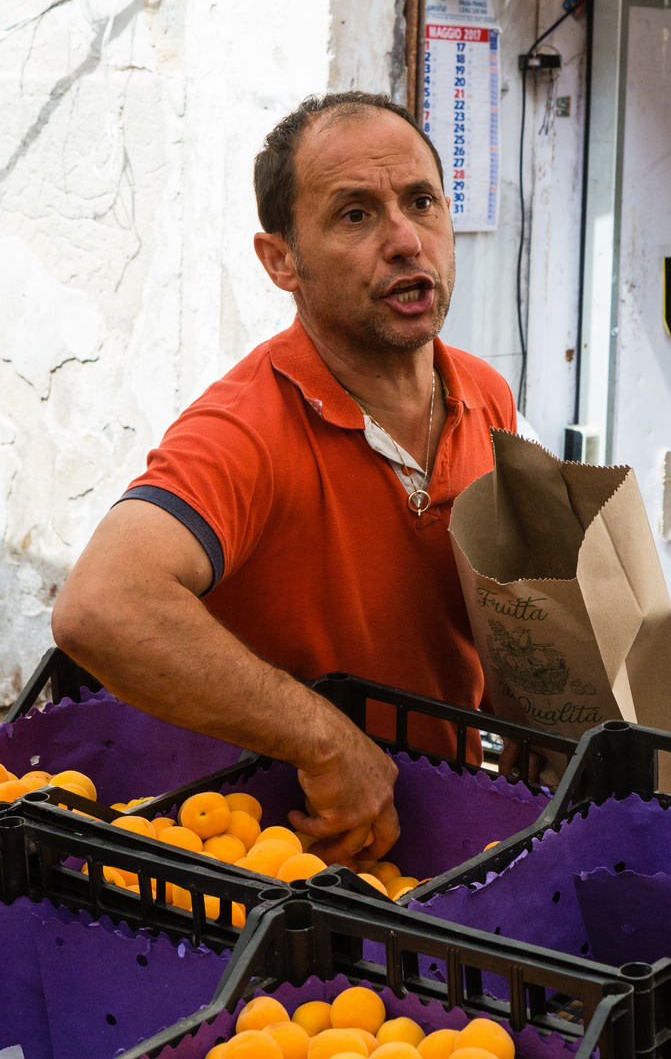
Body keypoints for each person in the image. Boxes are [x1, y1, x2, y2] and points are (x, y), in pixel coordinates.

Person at [51, 91, 516, 866]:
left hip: (444, 840)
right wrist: (327, 742)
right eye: (355, 215)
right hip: (281, 855)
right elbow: (101, 606)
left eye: (421, 202)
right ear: (282, 261)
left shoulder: (484, 395)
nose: (406, 240)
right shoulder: (244, 430)